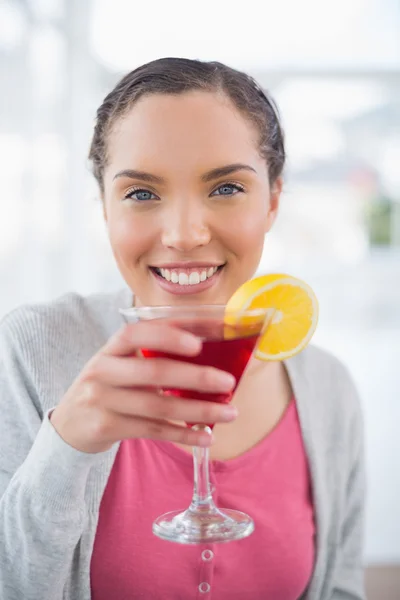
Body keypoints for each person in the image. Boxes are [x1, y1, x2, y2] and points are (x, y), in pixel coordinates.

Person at [0, 58, 366, 600]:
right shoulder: (33, 348)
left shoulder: (330, 389)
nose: (184, 234)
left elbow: (340, 590)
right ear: (104, 206)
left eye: (226, 189)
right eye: (142, 194)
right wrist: (66, 445)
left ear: (273, 202)